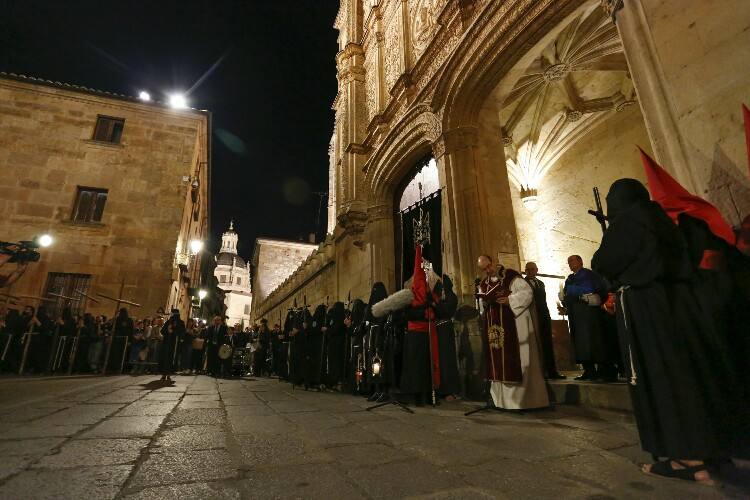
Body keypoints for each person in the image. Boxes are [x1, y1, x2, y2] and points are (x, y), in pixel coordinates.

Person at [591, 178, 721, 484]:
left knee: (661, 376)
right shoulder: (663, 220)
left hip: (647, 310)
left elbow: (604, 261)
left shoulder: (629, 222)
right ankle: (709, 452)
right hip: (679, 309)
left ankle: (685, 458)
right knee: (687, 374)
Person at [476, 254, 549, 410]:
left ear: (494, 262)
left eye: (489, 266)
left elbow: (527, 294)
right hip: (496, 327)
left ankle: (525, 401)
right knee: (499, 361)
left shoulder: (511, 276)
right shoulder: (483, 284)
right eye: (484, 269)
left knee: (520, 358)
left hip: (516, 324)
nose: (488, 271)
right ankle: (501, 402)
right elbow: (482, 305)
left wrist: (510, 300)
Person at [559, 255, 618, 382]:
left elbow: (597, 290)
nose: (570, 263)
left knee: (595, 341)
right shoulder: (570, 279)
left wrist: (579, 293)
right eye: (568, 262)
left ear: (580, 261)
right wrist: (563, 299)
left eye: (572, 260)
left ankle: (605, 371)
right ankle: (589, 371)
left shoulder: (590, 275)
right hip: (576, 315)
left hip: (590, 314)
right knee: (581, 344)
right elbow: (568, 294)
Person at [524, 262, 565, 379]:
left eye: (532, 269)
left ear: (536, 270)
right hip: (532, 317)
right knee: (535, 345)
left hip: (544, 317)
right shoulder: (523, 283)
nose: (530, 272)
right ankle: (539, 373)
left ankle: (552, 371)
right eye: (528, 270)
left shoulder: (541, 283)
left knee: (547, 344)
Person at [435, 275, 461, 399]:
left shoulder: (451, 297)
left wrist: (436, 303)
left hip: (445, 330)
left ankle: (449, 390)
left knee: (446, 360)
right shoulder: (441, 297)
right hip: (437, 330)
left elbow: (445, 311)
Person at [323, 302, 347, 389]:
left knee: (337, 363)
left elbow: (336, 329)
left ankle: (337, 382)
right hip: (333, 344)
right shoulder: (337, 316)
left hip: (338, 344)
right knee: (333, 363)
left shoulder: (340, 317)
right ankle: (333, 381)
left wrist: (327, 329)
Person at [159, 309, 185, 382]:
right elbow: (162, 331)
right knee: (165, 358)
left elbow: (182, 332)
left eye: (172, 313)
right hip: (167, 343)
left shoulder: (181, 323)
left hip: (175, 344)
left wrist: (173, 331)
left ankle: (169, 373)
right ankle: (164, 374)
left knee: (172, 358)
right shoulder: (168, 322)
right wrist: (167, 330)